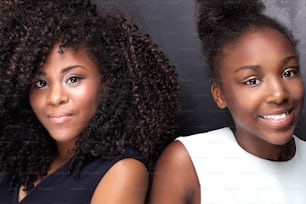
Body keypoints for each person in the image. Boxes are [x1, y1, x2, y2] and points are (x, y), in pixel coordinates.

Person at [0, 0, 180, 203]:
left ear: (106, 81)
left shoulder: (122, 171)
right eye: (40, 83)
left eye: (73, 79)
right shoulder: (20, 165)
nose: (55, 97)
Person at [149, 0, 306, 203]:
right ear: (220, 95)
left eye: (288, 72)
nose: (279, 94)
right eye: (252, 81)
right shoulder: (189, 163)